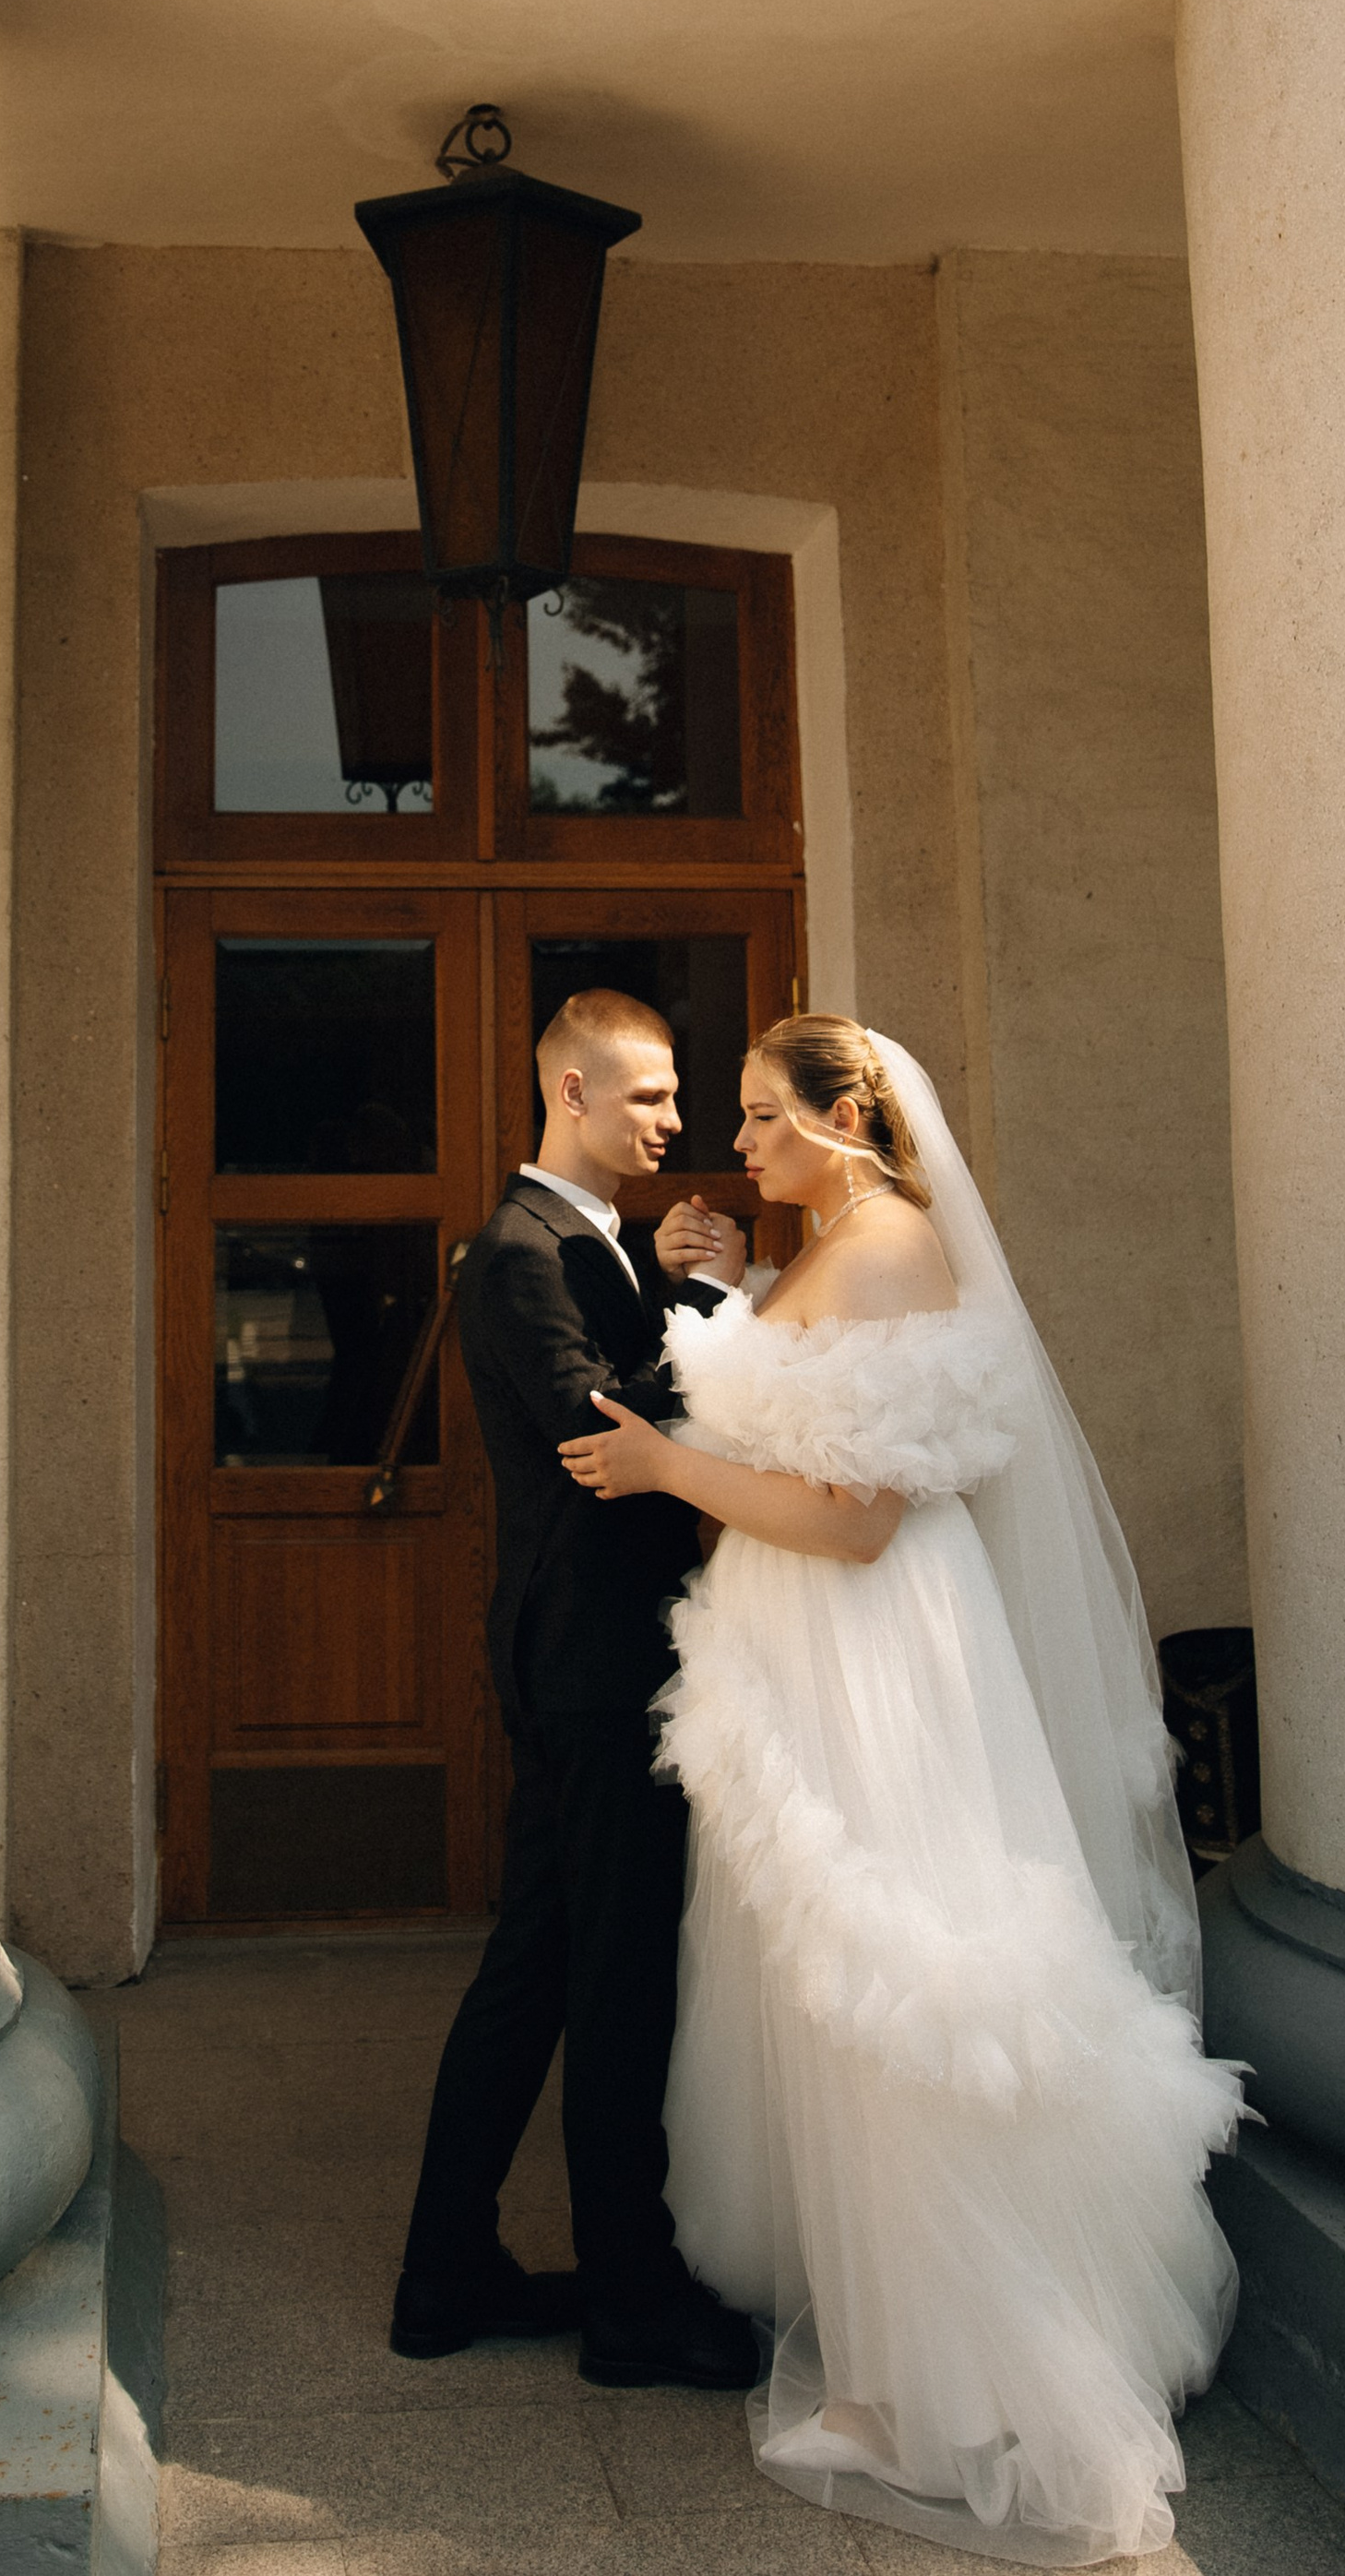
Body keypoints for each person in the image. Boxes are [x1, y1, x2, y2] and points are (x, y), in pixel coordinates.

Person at [558, 1015, 1244, 2564]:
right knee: (827, 1996)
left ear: (847, 1119)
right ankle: (879, 2346)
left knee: (890, 1990)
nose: (746, 1141)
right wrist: (737, 1286)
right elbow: (815, 1407)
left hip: (870, 1658)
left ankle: (942, 2382)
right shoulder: (840, 1245)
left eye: (766, 1116)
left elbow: (855, 1517)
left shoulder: (885, 1247)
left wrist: (667, 1468)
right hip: (812, 1650)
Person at [393, 989, 763, 2392]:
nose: (674, 1119)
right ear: (570, 1089)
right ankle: (630, 2305)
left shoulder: (587, 1241)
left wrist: (664, 1286)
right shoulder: (516, 1253)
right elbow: (593, 1425)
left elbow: (617, 1366)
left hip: (589, 1656)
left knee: (538, 1967)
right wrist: (716, 1314)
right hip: (598, 1665)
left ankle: (445, 2272)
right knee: (618, 1986)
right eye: (650, 1094)